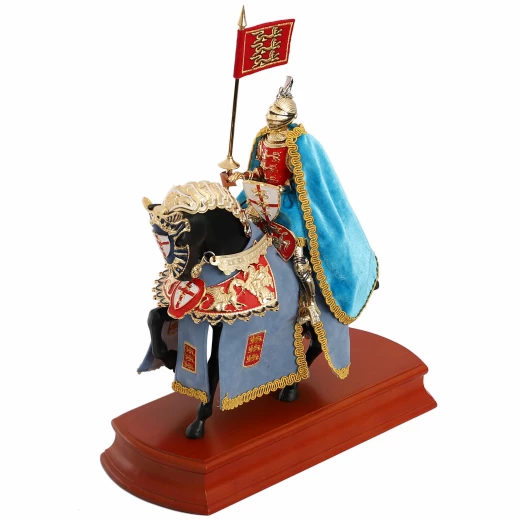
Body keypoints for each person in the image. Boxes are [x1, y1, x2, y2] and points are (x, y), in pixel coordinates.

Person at [224, 77, 378, 326]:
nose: (271, 116)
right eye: (271, 111)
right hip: (262, 198)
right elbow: (260, 171)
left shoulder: (298, 144)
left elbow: (304, 181)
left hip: (288, 204)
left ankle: (308, 304)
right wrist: (240, 176)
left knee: (298, 252)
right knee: (236, 224)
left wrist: (283, 190)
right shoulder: (263, 139)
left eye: (277, 113)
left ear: (288, 117)